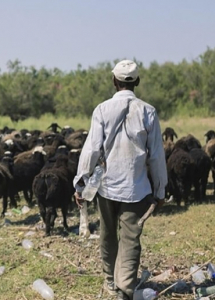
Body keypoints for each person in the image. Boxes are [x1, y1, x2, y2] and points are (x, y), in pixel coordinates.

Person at [73, 60, 167, 300]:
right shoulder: (148, 111)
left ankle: (110, 280)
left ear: (114, 81)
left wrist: (81, 182)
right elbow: (156, 156)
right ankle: (125, 287)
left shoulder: (102, 109)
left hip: (106, 186)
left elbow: (91, 149)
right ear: (136, 82)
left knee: (107, 234)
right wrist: (160, 190)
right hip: (137, 187)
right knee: (131, 238)